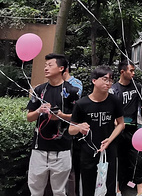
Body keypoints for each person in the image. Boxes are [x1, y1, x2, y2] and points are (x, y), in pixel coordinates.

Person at [26, 53, 79, 196]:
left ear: (61, 68)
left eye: (50, 65)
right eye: (45, 65)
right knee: (35, 190)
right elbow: (29, 117)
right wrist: (39, 110)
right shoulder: (39, 91)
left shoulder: (72, 91)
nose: (46, 68)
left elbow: (77, 119)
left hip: (62, 149)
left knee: (59, 191)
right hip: (39, 148)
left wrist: (61, 116)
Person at [69, 66, 125, 196]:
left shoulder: (114, 101)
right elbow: (70, 130)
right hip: (88, 153)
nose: (108, 83)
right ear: (94, 80)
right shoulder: (81, 104)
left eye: (111, 80)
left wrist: (109, 140)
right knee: (88, 188)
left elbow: (121, 124)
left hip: (108, 152)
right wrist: (79, 128)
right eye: (105, 79)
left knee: (109, 189)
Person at [110, 60, 142, 196]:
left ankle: (140, 192)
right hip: (118, 131)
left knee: (138, 160)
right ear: (122, 72)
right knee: (117, 160)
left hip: (135, 130)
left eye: (134, 70)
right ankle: (117, 190)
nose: (133, 73)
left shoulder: (138, 87)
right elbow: (109, 110)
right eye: (131, 70)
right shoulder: (113, 89)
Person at [63, 65, 83, 196]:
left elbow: (76, 108)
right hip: (56, 130)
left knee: (72, 167)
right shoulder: (49, 86)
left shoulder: (75, 84)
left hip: (72, 129)